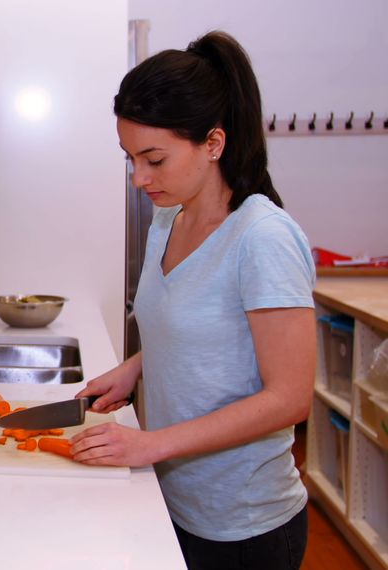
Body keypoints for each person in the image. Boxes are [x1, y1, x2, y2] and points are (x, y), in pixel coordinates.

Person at [69, 31, 316, 570]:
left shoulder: (262, 238)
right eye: (131, 158)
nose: (139, 178)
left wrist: (150, 446)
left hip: (243, 527)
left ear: (213, 143)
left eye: (154, 158)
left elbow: (290, 398)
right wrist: (138, 367)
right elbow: (203, 329)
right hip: (175, 499)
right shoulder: (167, 219)